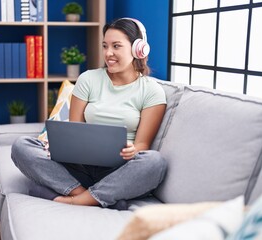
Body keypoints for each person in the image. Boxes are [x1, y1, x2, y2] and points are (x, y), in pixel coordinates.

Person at [11, 18, 168, 210]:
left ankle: (74, 198)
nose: (108, 53)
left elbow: (142, 145)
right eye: (105, 46)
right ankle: (91, 197)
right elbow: (74, 129)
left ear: (139, 49)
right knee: (22, 146)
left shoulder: (152, 90)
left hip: (120, 171)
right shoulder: (88, 79)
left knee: (155, 162)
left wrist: (132, 150)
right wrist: (57, 145)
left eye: (116, 46)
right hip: (80, 167)